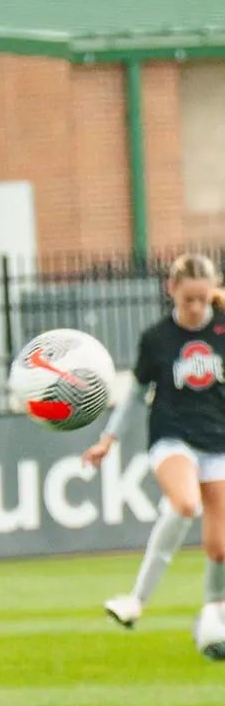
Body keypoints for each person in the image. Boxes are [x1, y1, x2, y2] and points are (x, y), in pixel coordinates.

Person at [85, 255, 225, 628]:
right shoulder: (157, 339)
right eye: (187, 299)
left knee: (220, 548)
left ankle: (214, 612)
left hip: (218, 441)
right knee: (184, 504)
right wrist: (107, 439)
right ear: (171, 291)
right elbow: (135, 393)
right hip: (173, 436)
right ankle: (135, 600)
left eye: (202, 298)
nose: (195, 308)